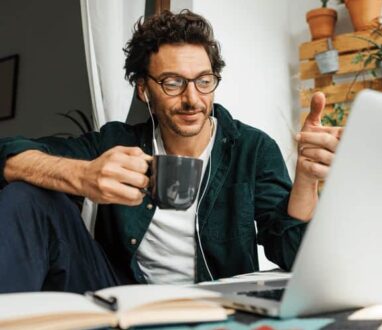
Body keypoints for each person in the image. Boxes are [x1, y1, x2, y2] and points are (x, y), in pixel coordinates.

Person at [0, 10, 342, 293]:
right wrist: (82, 175)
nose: (193, 99)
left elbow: (292, 255)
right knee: (27, 196)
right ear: (143, 89)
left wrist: (307, 179)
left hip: (214, 303)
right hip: (122, 295)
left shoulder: (251, 148)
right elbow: (7, 152)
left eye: (204, 81)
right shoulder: (115, 142)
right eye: (173, 83)